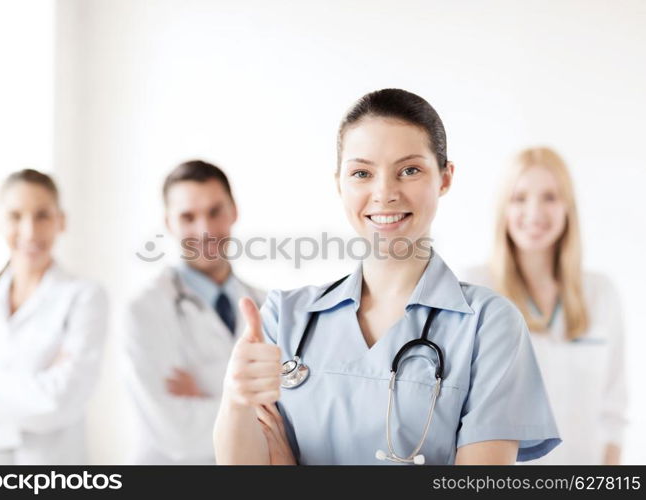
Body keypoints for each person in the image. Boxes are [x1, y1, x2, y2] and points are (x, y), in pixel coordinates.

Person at [213, 89, 561, 465]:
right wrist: (236, 397)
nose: (384, 193)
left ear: (445, 178)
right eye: (362, 173)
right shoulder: (284, 317)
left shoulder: (489, 325)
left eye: (409, 170)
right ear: (339, 183)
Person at [462, 147, 628, 465]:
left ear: (568, 207)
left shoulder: (601, 292)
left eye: (550, 197)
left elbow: (614, 411)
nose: (535, 212)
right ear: (503, 209)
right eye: (520, 198)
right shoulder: (474, 289)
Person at [0, 169, 108, 464]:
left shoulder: (84, 297)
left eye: (42, 215)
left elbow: (59, 402)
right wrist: (31, 389)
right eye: (15, 216)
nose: (30, 231)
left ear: (61, 221)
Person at [122, 160, 266, 464]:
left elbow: (294, 416)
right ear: (169, 223)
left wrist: (207, 397)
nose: (205, 231)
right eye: (188, 217)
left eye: (215, 212)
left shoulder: (266, 305)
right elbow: (178, 432)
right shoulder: (144, 310)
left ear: (233, 211)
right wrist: (257, 409)